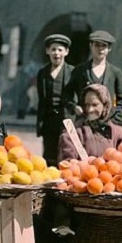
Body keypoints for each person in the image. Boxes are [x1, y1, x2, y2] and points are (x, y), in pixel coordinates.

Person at [67, 30, 122, 124]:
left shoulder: (115, 72)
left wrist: (116, 119)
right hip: (85, 121)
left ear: (109, 49)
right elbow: (66, 94)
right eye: (97, 45)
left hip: (108, 122)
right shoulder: (80, 70)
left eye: (104, 46)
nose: (100, 49)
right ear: (90, 46)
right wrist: (74, 107)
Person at [58, 84, 122, 161]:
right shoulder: (73, 133)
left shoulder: (118, 133)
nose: (90, 109)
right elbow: (68, 165)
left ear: (105, 106)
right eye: (87, 105)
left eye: (95, 105)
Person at [36, 34, 76, 166]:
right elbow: (42, 100)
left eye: (60, 50)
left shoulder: (72, 72)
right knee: (49, 153)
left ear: (66, 52)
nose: (56, 53)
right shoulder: (42, 73)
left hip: (66, 119)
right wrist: (40, 123)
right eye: (53, 49)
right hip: (48, 120)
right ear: (48, 51)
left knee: (66, 152)